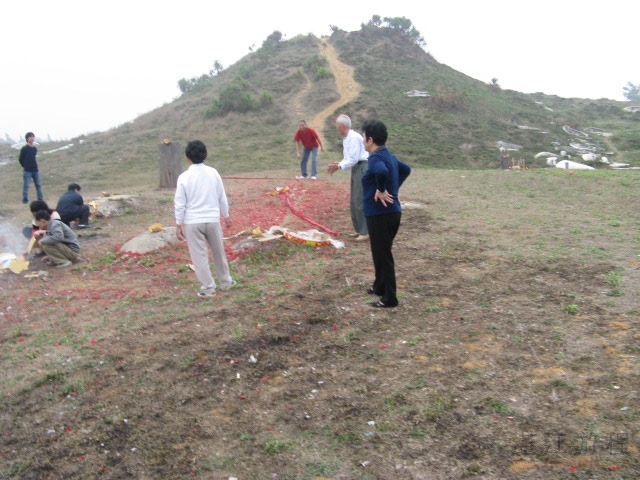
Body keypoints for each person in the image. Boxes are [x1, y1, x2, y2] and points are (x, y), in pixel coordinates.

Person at [174, 140, 235, 297]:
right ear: (205, 154)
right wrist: (226, 215)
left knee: (199, 256)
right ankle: (226, 281)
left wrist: (178, 224)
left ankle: (208, 288)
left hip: (193, 222)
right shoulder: (213, 173)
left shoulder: (184, 177)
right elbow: (221, 196)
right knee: (219, 252)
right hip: (212, 220)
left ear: (187, 157)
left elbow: (180, 203)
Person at [361, 120, 411, 308]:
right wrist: (393, 188)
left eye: (364, 138)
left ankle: (390, 298)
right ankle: (379, 286)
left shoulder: (375, 158)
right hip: (391, 213)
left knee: (383, 254)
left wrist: (382, 189)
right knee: (379, 251)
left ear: (370, 140)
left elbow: (381, 172)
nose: (363, 141)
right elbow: (406, 169)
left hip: (380, 214)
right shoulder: (388, 155)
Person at [327, 114, 369, 242]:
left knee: (359, 199)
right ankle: (359, 230)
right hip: (356, 168)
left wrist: (339, 166)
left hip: (362, 167)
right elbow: (348, 158)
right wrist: (339, 163)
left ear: (342, 126)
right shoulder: (347, 138)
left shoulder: (354, 137)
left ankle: (365, 232)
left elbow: (354, 158)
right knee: (354, 199)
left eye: (337, 126)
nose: (336, 128)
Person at [19, 132, 44, 204]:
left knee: (38, 185)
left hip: (35, 169)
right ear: (27, 138)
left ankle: (40, 199)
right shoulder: (24, 148)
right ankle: (25, 200)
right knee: (26, 185)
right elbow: (20, 159)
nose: (32, 138)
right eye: (30, 137)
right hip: (27, 170)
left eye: (33, 137)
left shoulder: (35, 148)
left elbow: (33, 158)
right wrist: (24, 166)